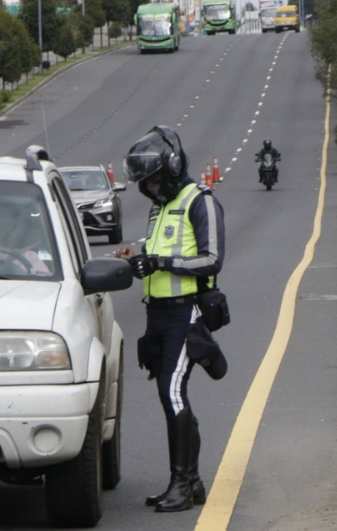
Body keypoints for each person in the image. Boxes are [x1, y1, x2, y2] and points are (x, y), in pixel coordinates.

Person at [115, 125, 226, 513]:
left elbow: (212, 259)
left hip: (184, 313)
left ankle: (181, 484)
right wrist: (138, 257)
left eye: (154, 179)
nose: (150, 187)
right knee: (171, 394)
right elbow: (158, 254)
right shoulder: (158, 208)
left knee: (172, 392)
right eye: (145, 183)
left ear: (173, 168)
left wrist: (161, 262)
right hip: (157, 315)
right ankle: (192, 484)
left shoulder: (201, 201)